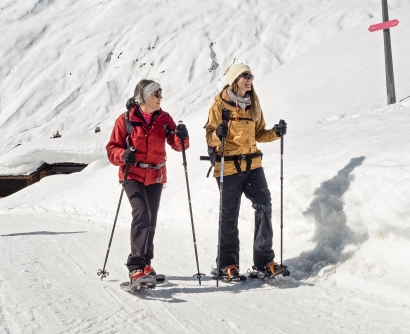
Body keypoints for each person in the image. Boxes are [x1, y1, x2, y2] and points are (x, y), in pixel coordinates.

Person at [205, 63, 287, 279]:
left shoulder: (253, 105)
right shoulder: (219, 106)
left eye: (251, 75)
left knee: (264, 207)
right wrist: (217, 134)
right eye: (245, 76)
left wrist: (276, 133)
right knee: (229, 216)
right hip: (228, 167)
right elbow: (210, 136)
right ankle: (227, 264)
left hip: (253, 166)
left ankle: (263, 262)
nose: (250, 79)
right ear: (235, 80)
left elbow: (259, 134)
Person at [106, 79, 189, 287]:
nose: (161, 98)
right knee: (142, 213)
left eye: (160, 94)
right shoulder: (125, 120)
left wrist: (182, 136)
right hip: (131, 175)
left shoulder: (164, 119)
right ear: (144, 97)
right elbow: (111, 149)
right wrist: (123, 154)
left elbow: (178, 146)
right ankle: (135, 266)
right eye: (157, 94)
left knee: (151, 218)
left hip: (156, 175)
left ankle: (146, 264)